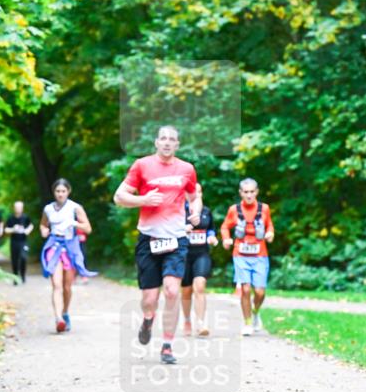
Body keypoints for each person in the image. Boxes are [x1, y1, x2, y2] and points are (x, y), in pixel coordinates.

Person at [113, 125, 201, 364]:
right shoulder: (141, 165)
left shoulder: (186, 169)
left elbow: (195, 196)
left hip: (176, 239)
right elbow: (119, 196)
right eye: (163, 138)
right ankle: (148, 319)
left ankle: (168, 346)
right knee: (149, 299)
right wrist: (143, 199)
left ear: (177, 145)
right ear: (156, 142)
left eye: (172, 139)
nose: (167, 142)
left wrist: (195, 212)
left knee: (172, 291)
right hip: (148, 240)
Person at [40, 179, 96, 333]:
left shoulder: (75, 208)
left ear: (68, 191)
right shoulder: (48, 209)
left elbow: (88, 228)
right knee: (56, 285)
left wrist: (74, 223)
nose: (60, 194)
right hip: (54, 246)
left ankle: (65, 313)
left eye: (63, 191)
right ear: (54, 192)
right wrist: (44, 230)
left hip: (70, 247)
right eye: (57, 191)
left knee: (66, 286)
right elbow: (43, 224)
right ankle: (58, 318)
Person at [220, 178, 274, 336]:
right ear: (240, 193)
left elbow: (269, 224)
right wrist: (226, 239)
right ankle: (248, 323)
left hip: (260, 255)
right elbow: (225, 226)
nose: (249, 195)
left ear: (256, 192)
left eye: (252, 192)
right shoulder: (234, 210)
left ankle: (256, 312)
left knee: (260, 292)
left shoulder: (264, 209)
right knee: (245, 289)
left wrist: (270, 233)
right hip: (240, 254)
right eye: (246, 192)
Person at [181, 193, 218, 336]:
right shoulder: (179, 211)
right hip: (183, 255)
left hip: (202, 254)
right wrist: (182, 230)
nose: (195, 195)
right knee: (186, 290)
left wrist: (211, 237)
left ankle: (201, 323)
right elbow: (169, 229)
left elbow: (211, 229)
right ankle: (187, 320)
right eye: (191, 192)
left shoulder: (206, 211)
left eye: (198, 192)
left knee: (200, 285)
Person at [4, 201, 34, 284]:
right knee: (14, 260)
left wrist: (27, 230)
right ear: (14, 208)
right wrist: (13, 229)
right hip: (14, 241)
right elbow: (6, 230)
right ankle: (15, 277)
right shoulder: (10, 218)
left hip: (23, 241)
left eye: (20, 207)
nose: (18, 209)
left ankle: (23, 275)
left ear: (22, 208)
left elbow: (31, 225)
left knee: (23, 258)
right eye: (16, 207)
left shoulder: (26, 217)